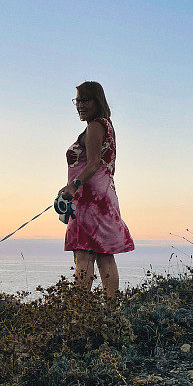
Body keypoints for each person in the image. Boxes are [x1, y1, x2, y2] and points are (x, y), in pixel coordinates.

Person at [58, 81, 135, 297]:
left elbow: (92, 163)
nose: (80, 105)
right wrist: (69, 187)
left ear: (97, 101)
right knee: (104, 255)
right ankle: (111, 311)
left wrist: (73, 186)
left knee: (83, 254)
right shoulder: (107, 125)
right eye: (78, 100)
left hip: (89, 200)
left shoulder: (94, 126)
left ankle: (80, 313)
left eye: (85, 100)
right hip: (104, 197)